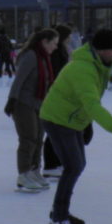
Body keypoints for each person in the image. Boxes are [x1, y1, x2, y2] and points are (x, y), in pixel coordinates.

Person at [40, 28, 112, 224]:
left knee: (77, 165)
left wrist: (86, 123)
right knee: (72, 166)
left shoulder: (99, 63)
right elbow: (92, 103)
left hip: (73, 119)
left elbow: (88, 101)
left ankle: (60, 212)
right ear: (100, 50)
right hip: (57, 118)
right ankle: (58, 220)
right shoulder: (83, 68)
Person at [4, 29, 59, 192]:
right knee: (28, 138)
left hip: (39, 103)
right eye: (54, 43)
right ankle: (23, 174)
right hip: (23, 103)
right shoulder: (30, 56)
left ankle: (34, 170)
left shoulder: (44, 57)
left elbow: (48, 82)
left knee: (39, 138)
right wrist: (11, 101)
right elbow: (18, 80)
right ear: (44, 42)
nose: (55, 47)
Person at [41, 25, 72, 178]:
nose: (70, 40)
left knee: (59, 130)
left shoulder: (62, 50)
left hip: (61, 94)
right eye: (68, 37)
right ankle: (50, 165)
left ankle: (56, 163)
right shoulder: (56, 53)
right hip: (55, 94)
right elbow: (55, 73)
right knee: (54, 130)